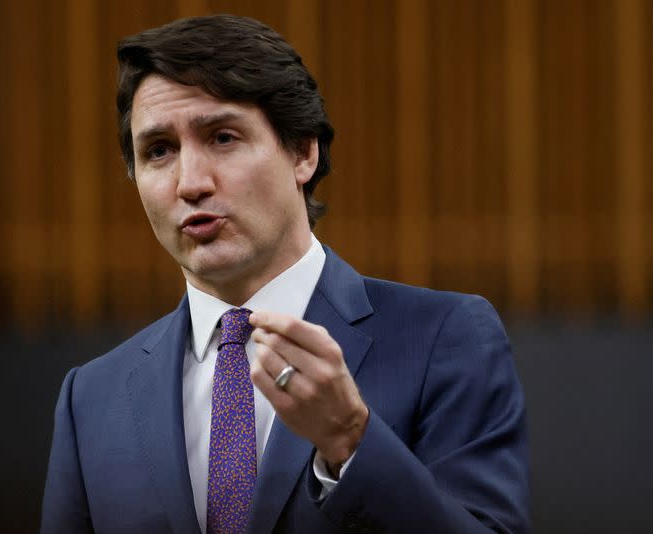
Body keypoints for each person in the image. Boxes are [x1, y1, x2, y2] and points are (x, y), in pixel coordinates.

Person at [41, 14, 530, 534]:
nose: (190, 182)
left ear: (303, 151)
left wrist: (352, 442)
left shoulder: (445, 338)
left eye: (223, 137)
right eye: (159, 151)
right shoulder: (91, 398)